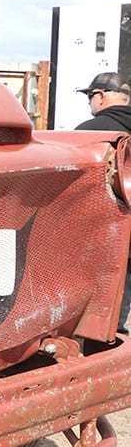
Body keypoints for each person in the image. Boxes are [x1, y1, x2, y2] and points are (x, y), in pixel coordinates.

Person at [76, 72, 131, 335]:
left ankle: (93, 337)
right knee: (124, 285)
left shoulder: (89, 131)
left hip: (101, 227)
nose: (90, 103)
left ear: (100, 96)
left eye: (90, 97)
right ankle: (116, 336)